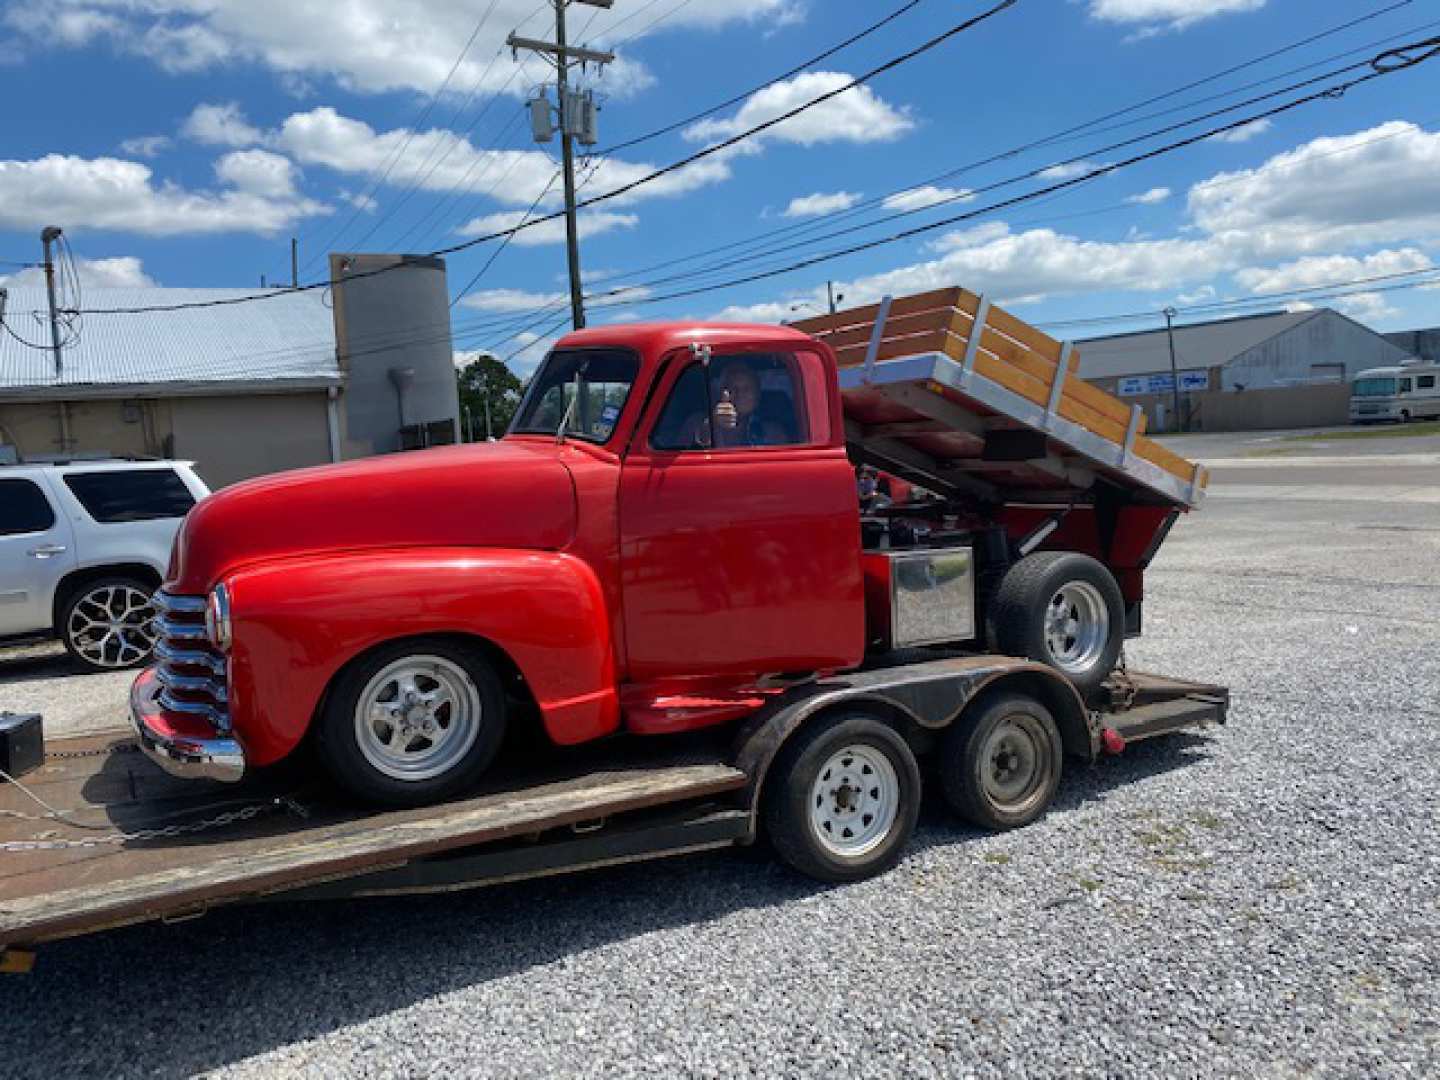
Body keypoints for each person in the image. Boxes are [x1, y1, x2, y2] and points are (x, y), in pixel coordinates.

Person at [682, 360, 791, 448]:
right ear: (721, 392)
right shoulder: (697, 422)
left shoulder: (773, 433)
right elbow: (685, 460)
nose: (739, 394)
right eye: (732, 388)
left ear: (757, 396)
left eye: (747, 389)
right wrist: (711, 425)